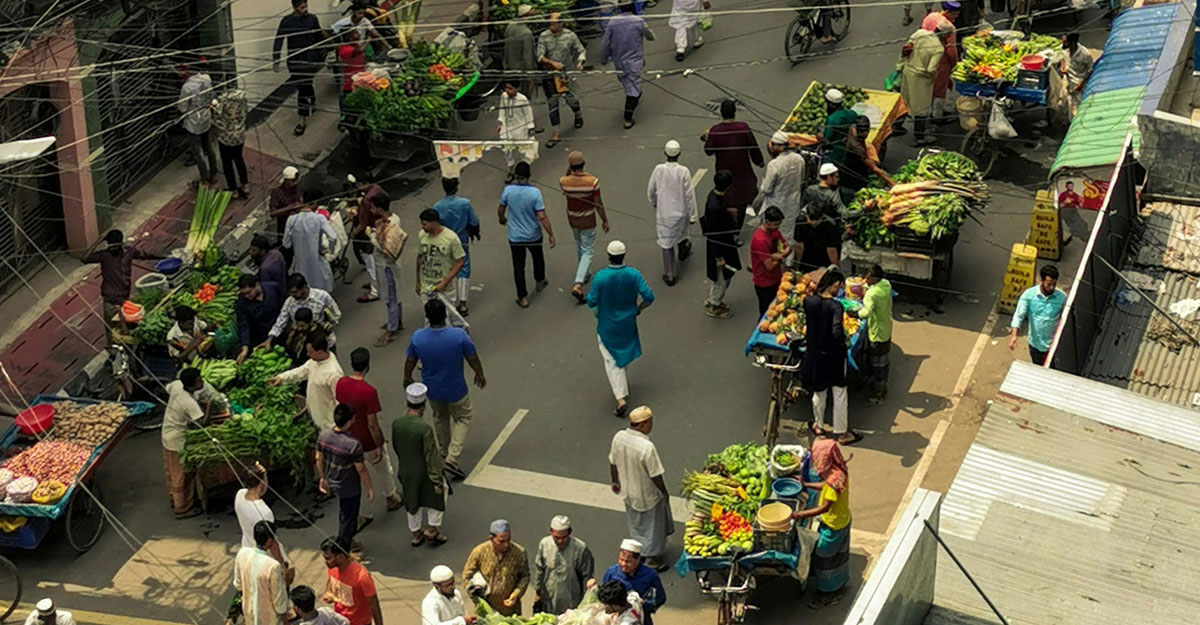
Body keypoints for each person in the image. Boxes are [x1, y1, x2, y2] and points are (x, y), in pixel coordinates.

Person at [404, 299, 486, 479]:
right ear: (445, 315)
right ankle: (452, 457)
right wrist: (479, 374)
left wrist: (407, 377)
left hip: (433, 390)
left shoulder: (418, 337)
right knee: (463, 418)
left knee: (440, 418)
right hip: (456, 388)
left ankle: (443, 452)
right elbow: (472, 357)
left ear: (427, 317)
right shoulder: (458, 336)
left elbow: (410, 360)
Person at [588, 241, 655, 417]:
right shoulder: (633, 274)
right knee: (622, 355)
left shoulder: (601, 277)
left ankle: (620, 399)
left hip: (607, 324)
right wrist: (639, 308)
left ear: (609, 256)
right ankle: (622, 387)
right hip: (628, 323)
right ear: (624, 256)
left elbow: (591, 301)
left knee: (611, 360)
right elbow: (649, 296)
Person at [336, 348, 402, 517]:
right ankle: (391, 497)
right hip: (366, 440)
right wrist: (379, 444)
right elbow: (372, 423)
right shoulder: (369, 392)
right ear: (367, 365)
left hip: (349, 437)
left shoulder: (341, 383)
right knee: (382, 468)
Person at [792, 436, 852, 608]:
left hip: (834, 525)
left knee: (823, 557)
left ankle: (828, 594)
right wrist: (807, 484)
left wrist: (798, 515)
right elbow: (824, 486)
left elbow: (824, 507)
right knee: (836, 556)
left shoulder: (834, 481)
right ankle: (837, 583)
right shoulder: (838, 471)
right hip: (840, 519)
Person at [609, 408, 672, 570]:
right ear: (642, 425)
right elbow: (655, 474)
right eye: (649, 422)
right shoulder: (646, 447)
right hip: (647, 493)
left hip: (628, 492)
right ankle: (651, 558)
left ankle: (639, 552)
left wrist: (615, 481)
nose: (651, 425)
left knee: (636, 523)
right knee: (653, 526)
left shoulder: (619, 437)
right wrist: (663, 491)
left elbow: (613, 462)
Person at [804, 270, 860, 445]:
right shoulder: (836, 306)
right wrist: (842, 343)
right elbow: (836, 330)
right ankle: (842, 433)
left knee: (819, 391)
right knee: (839, 392)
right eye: (839, 286)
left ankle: (819, 426)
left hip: (815, 354)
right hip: (834, 355)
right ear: (834, 284)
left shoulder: (808, 301)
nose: (840, 290)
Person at [163, 367, 227, 519]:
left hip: (167, 432)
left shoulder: (178, 386)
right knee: (181, 474)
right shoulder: (188, 402)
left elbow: (168, 388)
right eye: (199, 380)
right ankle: (182, 508)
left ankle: (175, 500)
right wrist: (210, 407)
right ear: (191, 385)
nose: (202, 382)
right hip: (177, 439)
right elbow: (202, 424)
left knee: (171, 471)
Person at [393, 383, 449, 546]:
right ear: (423, 406)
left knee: (412, 500)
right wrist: (436, 478)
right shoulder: (424, 429)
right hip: (423, 471)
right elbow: (431, 455)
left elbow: (397, 447)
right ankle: (432, 529)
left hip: (406, 469)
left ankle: (416, 534)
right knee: (437, 496)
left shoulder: (397, 423)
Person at [499, 161, 556, 308]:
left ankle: (523, 297)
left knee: (519, 266)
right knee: (538, 257)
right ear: (529, 176)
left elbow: (500, 209)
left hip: (515, 236)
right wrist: (550, 233)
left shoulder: (508, 191)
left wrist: (502, 219)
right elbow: (542, 216)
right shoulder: (535, 193)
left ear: (516, 175)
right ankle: (540, 280)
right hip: (533, 234)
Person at [703, 100, 764, 234]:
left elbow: (708, 151)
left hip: (724, 172)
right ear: (735, 113)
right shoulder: (743, 127)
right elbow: (753, 147)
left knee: (727, 199)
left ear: (721, 113)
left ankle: (729, 227)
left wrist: (707, 137)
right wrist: (759, 161)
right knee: (741, 200)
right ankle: (736, 230)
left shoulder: (716, 130)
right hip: (743, 171)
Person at [316, 404, 375, 543]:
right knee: (348, 516)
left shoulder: (324, 435)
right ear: (350, 420)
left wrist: (322, 478)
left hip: (332, 479)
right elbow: (361, 469)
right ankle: (345, 546)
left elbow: (318, 458)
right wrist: (370, 488)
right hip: (348, 485)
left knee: (345, 511)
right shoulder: (352, 444)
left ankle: (347, 540)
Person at [84, 229, 160, 333]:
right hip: (111, 300)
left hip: (124, 298)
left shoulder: (129, 251)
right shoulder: (104, 255)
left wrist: (164, 257)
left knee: (128, 329)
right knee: (113, 332)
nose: (113, 248)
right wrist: (97, 242)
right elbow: (85, 258)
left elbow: (145, 255)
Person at [560, 151, 609, 303]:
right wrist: (604, 220)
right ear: (583, 164)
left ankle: (586, 272)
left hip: (572, 218)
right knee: (588, 249)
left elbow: (565, 184)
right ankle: (578, 283)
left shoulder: (564, 181)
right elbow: (598, 203)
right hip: (588, 219)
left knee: (580, 245)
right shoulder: (592, 182)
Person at [270, 330, 344, 430]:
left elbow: (340, 401)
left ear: (320, 352)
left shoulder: (334, 374)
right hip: (314, 413)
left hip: (327, 422)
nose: (308, 354)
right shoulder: (314, 362)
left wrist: (338, 426)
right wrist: (281, 378)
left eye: (311, 352)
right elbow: (301, 372)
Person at [647, 139, 697, 286]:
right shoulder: (684, 171)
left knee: (666, 243)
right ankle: (683, 251)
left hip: (664, 213)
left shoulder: (658, 170)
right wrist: (693, 214)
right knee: (682, 233)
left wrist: (654, 202)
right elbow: (689, 195)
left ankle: (670, 274)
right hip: (681, 212)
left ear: (665, 153)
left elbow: (651, 190)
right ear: (679, 154)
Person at [273, 0, 325, 136]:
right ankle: (312, 100)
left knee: (303, 87)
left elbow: (319, 37)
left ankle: (302, 119)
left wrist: (324, 53)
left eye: (306, 6)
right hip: (294, 60)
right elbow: (279, 39)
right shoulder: (287, 21)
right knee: (303, 85)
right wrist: (276, 59)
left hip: (310, 59)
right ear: (295, 8)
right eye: (302, 7)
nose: (305, 9)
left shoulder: (312, 19)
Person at [600, 2, 655, 128]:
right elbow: (650, 35)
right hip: (634, 62)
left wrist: (603, 58)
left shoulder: (613, 21)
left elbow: (605, 43)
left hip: (618, 62)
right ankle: (628, 117)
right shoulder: (637, 21)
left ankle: (632, 100)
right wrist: (651, 36)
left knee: (627, 84)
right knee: (633, 90)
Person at [433, 177, 481, 317]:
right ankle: (463, 303)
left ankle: (448, 301)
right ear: (456, 187)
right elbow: (474, 221)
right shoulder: (465, 203)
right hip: (461, 238)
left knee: (447, 267)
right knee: (463, 268)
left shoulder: (437, 206)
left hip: (444, 240)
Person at [463, 520, 531, 617]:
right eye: (501, 541)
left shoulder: (519, 552)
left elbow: (525, 576)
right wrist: (477, 599)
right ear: (491, 538)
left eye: (508, 540)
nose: (506, 545)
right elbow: (467, 576)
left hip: (510, 610)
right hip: (486, 611)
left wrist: (516, 593)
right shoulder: (479, 552)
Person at [537, 13, 585, 148]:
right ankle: (556, 132)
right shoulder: (544, 36)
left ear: (561, 23)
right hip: (551, 76)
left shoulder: (570, 36)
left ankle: (577, 113)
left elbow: (581, 50)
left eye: (554, 23)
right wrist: (551, 63)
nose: (551, 26)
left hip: (564, 76)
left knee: (570, 99)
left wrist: (580, 62)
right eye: (550, 23)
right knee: (552, 104)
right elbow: (539, 56)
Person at [897, 22, 950, 146]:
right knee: (921, 109)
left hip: (908, 71)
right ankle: (919, 137)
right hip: (921, 80)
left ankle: (896, 126)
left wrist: (901, 63)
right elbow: (931, 69)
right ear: (946, 36)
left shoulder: (920, 33)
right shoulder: (938, 48)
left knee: (904, 100)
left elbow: (907, 48)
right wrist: (934, 75)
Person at [416, 209, 469, 330]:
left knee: (448, 317)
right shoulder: (421, 236)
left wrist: (444, 282)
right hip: (426, 285)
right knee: (429, 317)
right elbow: (419, 258)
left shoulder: (451, 238)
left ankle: (454, 336)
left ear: (434, 223)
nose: (422, 227)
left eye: (425, 224)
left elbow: (460, 261)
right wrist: (418, 281)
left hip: (445, 288)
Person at [368, 190, 408, 346]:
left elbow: (385, 246)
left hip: (387, 265)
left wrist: (371, 236)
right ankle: (397, 320)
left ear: (379, 209)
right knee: (393, 294)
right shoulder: (392, 218)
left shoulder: (390, 224)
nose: (371, 211)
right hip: (386, 265)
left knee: (390, 296)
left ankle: (392, 330)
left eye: (373, 208)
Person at [534, 515, 595, 614]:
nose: (560, 541)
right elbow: (539, 570)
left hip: (571, 603)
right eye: (556, 538)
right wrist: (538, 592)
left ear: (569, 533)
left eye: (564, 537)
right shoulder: (544, 544)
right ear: (551, 532)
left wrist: (585, 604)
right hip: (549, 600)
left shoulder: (580, 549)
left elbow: (586, 577)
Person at [233, 521, 290, 625]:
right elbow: (279, 601)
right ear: (269, 540)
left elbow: (238, 585)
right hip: (268, 619)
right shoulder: (273, 566)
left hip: (249, 613)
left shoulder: (242, 553)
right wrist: (285, 621)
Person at [283, 188, 339, 293]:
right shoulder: (319, 218)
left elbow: (286, 244)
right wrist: (329, 251)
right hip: (318, 263)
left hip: (301, 265)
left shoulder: (291, 220)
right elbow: (333, 237)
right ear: (315, 204)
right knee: (324, 292)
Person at [1009, 264, 1065, 366]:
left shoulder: (1062, 298)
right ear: (1041, 281)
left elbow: (1065, 318)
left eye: (1054, 284)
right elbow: (1018, 315)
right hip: (1035, 345)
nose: (1052, 287)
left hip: (1054, 346)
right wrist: (1014, 336)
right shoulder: (1028, 295)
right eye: (1048, 284)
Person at [702, 170, 741, 319]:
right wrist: (719, 257)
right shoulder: (716, 207)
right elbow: (716, 232)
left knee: (721, 277)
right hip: (720, 248)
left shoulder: (714, 197)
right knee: (722, 278)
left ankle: (715, 299)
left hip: (721, 245)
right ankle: (715, 304)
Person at [600, 539, 666, 625]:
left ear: (638, 559)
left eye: (628, 562)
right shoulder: (611, 572)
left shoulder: (650, 575)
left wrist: (642, 607)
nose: (623, 564)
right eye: (621, 559)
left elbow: (661, 597)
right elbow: (604, 595)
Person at [854, 264, 893, 404]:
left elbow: (865, 313)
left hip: (876, 333)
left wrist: (854, 313)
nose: (865, 281)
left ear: (874, 278)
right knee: (883, 361)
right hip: (886, 328)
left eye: (867, 278)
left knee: (877, 364)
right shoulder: (886, 285)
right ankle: (879, 385)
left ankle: (879, 394)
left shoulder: (872, 294)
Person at [269, 273, 342, 349]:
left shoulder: (322, 296)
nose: (292, 295)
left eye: (294, 292)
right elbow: (281, 321)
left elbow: (337, 314)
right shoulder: (289, 303)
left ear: (303, 287)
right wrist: (270, 338)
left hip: (325, 342)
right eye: (290, 293)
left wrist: (329, 325)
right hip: (303, 345)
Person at [321, 537, 384, 625]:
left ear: (340, 557)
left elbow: (374, 606)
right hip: (340, 620)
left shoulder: (362, 577)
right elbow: (331, 583)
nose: (325, 562)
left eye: (328, 558)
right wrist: (329, 593)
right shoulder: (333, 569)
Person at [755, 131, 806, 237]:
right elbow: (802, 179)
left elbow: (767, 189)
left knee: (775, 233)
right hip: (793, 203)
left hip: (776, 204)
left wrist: (763, 183)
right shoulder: (799, 159)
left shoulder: (774, 164)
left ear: (779, 146)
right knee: (789, 231)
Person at [177, 61, 217, 189]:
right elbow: (211, 97)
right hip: (206, 119)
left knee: (198, 153)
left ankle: (204, 180)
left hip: (193, 124)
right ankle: (214, 171)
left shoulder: (187, 87)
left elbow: (182, 107)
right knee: (209, 147)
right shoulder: (207, 79)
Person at [349, 178, 386, 304]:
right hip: (378, 229)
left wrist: (354, 233)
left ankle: (375, 291)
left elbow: (363, 222)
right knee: (376, 261)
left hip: (367, 235)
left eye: (359, 185)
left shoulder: (366, 200)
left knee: (371, 264)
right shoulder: (377, 189)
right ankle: (377, 283)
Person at [749, 206, 791, 318]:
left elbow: (787, 247)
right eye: (776, 224)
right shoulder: (760, 240)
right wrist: (781, 257)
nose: (778, 227)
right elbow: (770, 266)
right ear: (767, 222)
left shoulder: (774, 231)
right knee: (767, 313)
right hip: (764, 282)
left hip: (777, 278)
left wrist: (779, 256)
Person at [921, 2, 960, 121]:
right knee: (940, 89)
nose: (956, 17)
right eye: (955, 15)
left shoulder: (930, 17)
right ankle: (937, 115)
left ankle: (930, 110)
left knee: (930, 86)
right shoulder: (948, 27)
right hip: (941, 62)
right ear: (948, 12)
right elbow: (951, 50)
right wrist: (955, 65)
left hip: (925, 56)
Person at [210, 88, 250, 199]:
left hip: (226, 139)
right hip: (240, 136)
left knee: (227, 163)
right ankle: (245, 185)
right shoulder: (242, 101)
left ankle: (233, 189)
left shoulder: (222, 104)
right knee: (239, 159)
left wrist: (212, 115)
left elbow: (218, 122)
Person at [236, 275, 283, 364]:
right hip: (260, 336)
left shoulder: (272, 288)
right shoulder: (241, 304)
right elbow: (243, 326)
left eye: (249, 292)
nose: (246, 296)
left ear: (256, 285)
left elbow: (285, 304)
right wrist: (245, 347)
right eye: (244, 293)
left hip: (280, 330)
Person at [842, 116, 895, 196]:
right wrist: (893, 183)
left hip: (850, 166)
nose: (865, 135)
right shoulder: (856, 147)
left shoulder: (853, 129)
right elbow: (874, 168)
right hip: (852, 177)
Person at [498, 82, 536, 181]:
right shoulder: (504, 97)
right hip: (506, 128)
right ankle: (511, 170)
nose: (507, 90)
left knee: (523, 151)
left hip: (520, 128)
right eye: (506, 88)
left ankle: (523, 171)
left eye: (510, 88)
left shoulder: (522, 99)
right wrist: (500, 123)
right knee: (507, 151)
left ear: (517, 88)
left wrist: (530, 128)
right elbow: (502, 111)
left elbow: (528, 114)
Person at [503, 5, 539, 102]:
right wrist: (531, 78)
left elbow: (506, 48)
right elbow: (528, 57)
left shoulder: (510, 26)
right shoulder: (526, 33)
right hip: (522, 72)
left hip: (510, 68)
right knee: (523, 99)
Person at [816, 89, 857, 170]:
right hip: (849, 147)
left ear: (831, 105)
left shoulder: (832, 119)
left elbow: (827, 140)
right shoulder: (851, 113)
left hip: (836, 152)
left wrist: (819, 136)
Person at [337, 30, 367, 129]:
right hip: (349, 84)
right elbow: (359, 51)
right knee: (348, 107)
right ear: (349, 37)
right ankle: (344, 123)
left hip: (359, 80)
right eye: (355, 33)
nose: (358, 34)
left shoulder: (355, 45)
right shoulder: (345, 50)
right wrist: (369, 38)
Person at [1062, 33, 1094, 119]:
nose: (1063, 44)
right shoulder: (1065, 49)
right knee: (1066, 102)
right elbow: (1062, 58)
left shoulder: (1084, 54)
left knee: (1079, 105)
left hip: (1079, 81)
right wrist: (1063, 67)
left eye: (1065, 42)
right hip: (1068, 79)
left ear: (1072, 43)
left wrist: (1081, 83)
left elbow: (1090, 70)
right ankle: (1068, 122)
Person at [269, 166, 304, 244]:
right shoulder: (277, 192)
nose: (295, 184)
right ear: (286, 181)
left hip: (297, 222)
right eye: (293, 182)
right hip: (284, 224)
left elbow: (300, 200)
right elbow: (272, 213)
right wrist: (289, 208)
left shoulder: (297, 188)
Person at [250, 234, 288, 303]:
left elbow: (265, 287)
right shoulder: (277, 253)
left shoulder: (265, 268)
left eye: (254, 250)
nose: (251, 252)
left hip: (277, 295)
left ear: (262, 251)